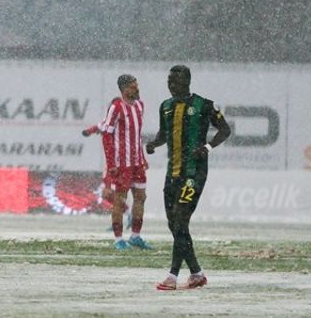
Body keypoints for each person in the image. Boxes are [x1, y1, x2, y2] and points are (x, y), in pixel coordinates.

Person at [145, 65, 230, 291]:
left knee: (181, 221)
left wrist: (208, 147)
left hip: (194, 174)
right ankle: (196, 273)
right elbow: (164, 134)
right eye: (169, 81)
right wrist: (154, 143)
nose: (172, 85)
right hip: (172, 173)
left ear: (188, 82)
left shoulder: (204, 105)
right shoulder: (166, 107)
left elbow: (225, 130)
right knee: (174, 225)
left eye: (176, 81)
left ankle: (172, 276)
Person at [83, 74, 151, 250]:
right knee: (120, 200)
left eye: (137, 85)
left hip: (137, 162)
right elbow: (107, 135)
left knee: (141, 197)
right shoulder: (117, 107)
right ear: (125, 89)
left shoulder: (140, 106)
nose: (138, 89)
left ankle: (136, 236)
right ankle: (118, 239)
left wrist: (143, 157)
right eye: (134, 86)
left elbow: (137, 136)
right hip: (122, 163)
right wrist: (112, 163)